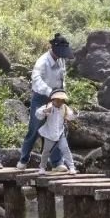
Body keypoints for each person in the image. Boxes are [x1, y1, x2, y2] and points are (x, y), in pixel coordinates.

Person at [17, 33, 72, 169]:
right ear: (53, 48)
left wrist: (61, 94)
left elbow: (61, 78)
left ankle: (57, 163)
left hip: (57, 98)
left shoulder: (61, 60)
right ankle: (23, 159)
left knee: (57, 129)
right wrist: (50, 92)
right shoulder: (42, 61)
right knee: (35, 128)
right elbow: (36, 79)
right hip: (41, 97)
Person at [35, 89, 76, 174]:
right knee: (46, 151)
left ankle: (72, 167)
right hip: (49, 133)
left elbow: (70, 116)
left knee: (65, 149)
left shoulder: (64, 107)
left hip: (60, 133)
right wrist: (45, 111)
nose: (59, 102)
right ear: (53, 100)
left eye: (61, 100)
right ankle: (42, 167)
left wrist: (75, 113)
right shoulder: (48, 106)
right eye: (57, 100)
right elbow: (38, 114)